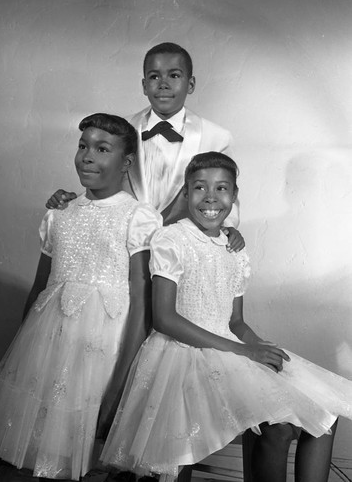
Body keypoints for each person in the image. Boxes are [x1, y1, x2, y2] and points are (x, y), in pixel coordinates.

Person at [100, 152, 352, 482]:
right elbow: (164, 319)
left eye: (221, 189)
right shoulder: (171, 239)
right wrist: (246, 352)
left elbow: (235, 323)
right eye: (200, 188)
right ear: (186, 193)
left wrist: (260, 347)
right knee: (276, 430)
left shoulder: (233, 248)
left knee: (324, 413)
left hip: (229, 347)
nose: (211, 198)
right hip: (184, 353)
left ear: (234, 196)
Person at [0, 113, 162, 481]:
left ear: (125, 163)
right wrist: (23, 352)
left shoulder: (138, 216)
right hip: (48, 345)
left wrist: (123, 381)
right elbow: (40, 288)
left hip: (105, 348)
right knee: (41, 453)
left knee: (90, 456)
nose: (87, 156)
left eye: (102, 149)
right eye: (82, 146)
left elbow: (142, 302)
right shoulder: (59, 213)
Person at [45, 42, 244, 252]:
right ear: (144, 85)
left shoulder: (216, 136)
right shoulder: (119, 130)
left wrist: (229, 228)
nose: (163, 84)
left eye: (174, 76)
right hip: (124, 246)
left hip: (184, 249)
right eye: (154, 76)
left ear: (191, 84)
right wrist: (74, 200)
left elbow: (226, 192)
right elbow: (105, 179)